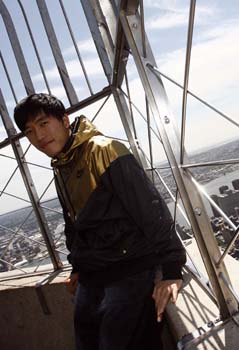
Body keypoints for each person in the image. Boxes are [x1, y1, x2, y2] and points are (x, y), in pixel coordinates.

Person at [14, 93, 186, 350]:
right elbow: (74, 223)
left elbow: (150, 209)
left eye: (43, 123)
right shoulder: (62, 164)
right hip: (94, 275)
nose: (38, 136)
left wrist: (172, 270)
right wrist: (77, 266)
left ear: (64, 119)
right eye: (29, 131)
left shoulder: (105, 150)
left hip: (130, 269)